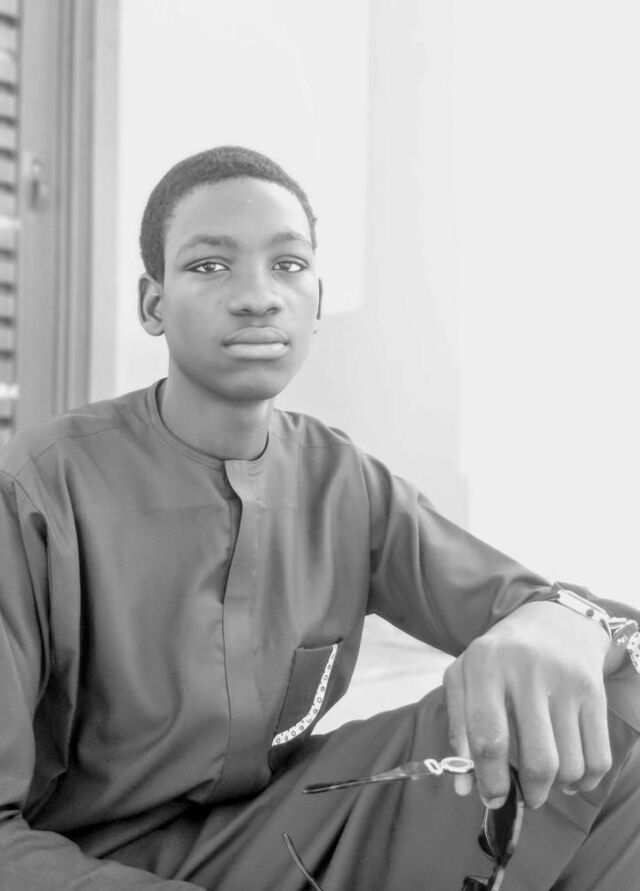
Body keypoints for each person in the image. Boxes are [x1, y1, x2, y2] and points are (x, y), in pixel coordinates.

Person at [0, 145, 638, 891]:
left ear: (317, 300)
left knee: (602, 712)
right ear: (153, 303)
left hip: (280, 829)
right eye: (210, 265)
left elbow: (541, 613)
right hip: (87, 864)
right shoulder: (40, 489)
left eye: (288, 265)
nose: (258, 296)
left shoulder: (342, 481)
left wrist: (561, 623)